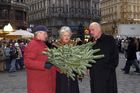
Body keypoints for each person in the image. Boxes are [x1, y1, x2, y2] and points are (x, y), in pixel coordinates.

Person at [24, 25, 57, 93]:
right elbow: (27, 62)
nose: (46, 36)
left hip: (44, 81)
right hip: (39, 83)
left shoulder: (42, 44)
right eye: (45, 33)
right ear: (39, 34)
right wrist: (43, 64)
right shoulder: (33, 44)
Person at [89, 22, 119, 93]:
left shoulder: (109, 39)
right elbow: (89, 58)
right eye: (90, 30)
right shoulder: (91, 42)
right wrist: (88, 68)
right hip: (95, 77)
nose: (91, 32)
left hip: (107, 77)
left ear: (99, 29)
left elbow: (115, 58)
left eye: (93, 30)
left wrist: (108, 71)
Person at [53, 26, 79, 93]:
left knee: (72, 88)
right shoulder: (56, 45)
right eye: (65, 35)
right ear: (61, 36)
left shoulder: (74, 44)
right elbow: (53, 59)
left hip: (72, 72)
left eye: (68, 35)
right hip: (61, 72)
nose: (67, 37)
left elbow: (79, 57)